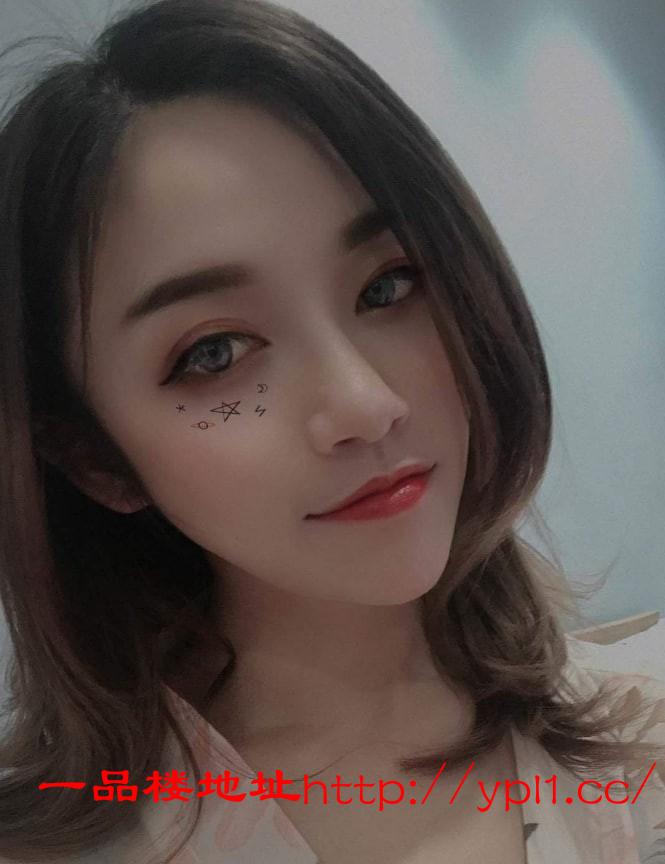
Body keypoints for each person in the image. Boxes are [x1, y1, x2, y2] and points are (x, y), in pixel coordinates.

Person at [0, 0, 662, 862]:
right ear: (93, 457)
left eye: (387, 286)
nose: (365, 403)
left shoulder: (635, 745)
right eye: (213, 353)